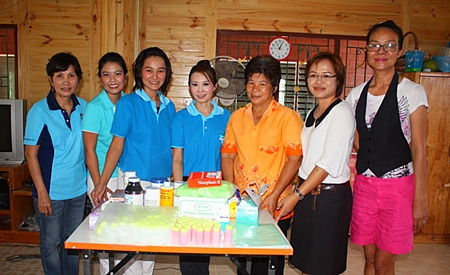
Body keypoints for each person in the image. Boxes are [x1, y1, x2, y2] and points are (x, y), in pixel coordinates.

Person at [346, 20, 428, 275]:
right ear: (367, 51)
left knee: (383, 262)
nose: (381, 51)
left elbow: (420, 149)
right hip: (365, 187)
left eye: (389, 45)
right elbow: (357, 140)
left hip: (399, 189)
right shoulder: (356, 95)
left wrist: (420, 199)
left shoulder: (413, 92)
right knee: (369, 258)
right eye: (375, 46)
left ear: (399, 51)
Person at [91, 47, 176, 274]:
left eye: (160, 71)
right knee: (127, 244)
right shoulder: (128, 104)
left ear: (167, 74)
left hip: (161, 186)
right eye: (149, 70)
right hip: (134, 185)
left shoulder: (170, 107)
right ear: (139, 72)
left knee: (151, 243)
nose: (155, 76)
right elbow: (116, 145)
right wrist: (101, 183)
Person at [221, 55, 303, 275]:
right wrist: (231, 190)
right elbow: (228, 156)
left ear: (274, 87)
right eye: (251, 82)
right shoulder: (236, 117)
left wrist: (275, 193)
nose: (255, 89)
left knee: (267, 264)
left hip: (274, 203)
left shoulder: (288, 118)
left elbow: (295, 159)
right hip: (243, 202)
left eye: (262, 83)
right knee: (242, 260)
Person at [276, 52, 356, 275]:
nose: (319, 81)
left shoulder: (342, 113)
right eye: (313, 75)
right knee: (306, 263)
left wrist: (296, 195)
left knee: (322, 265)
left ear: (338, 79)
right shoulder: (313, 112)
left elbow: (326, 163)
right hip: (307, 192)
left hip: (328, 200)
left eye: (326, 75)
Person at [24, 52, 87, 275]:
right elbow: (31, 155)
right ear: (51, 79)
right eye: (59, 75)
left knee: (70, 243)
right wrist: (41, 193)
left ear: (78, 79)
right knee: (51, 244)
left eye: (71, 75)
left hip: (78, 190)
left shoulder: (84, 107)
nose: (66, 82)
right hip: (50, 191)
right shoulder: (39, 111)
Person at [172, 60, 231, 275]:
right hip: (188, 186)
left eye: (205, 84)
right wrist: (178, 190)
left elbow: (229, 156)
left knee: (206, 239)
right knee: (187, 241)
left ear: (215, 86)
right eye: (194, 84)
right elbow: (177, 159)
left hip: (215, 187)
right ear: (189, 87)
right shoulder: (181, 118)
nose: (200, 90)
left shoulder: (226, 117)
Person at [82, 52, 128, 274]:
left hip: (125, 176)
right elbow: (89, 149)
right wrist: (101, 183)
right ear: (100, 78)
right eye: (106, 74)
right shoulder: (95, 107)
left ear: (125, 77)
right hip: (100, 175)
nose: (112, 79)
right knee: (105, 232)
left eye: (117, 74)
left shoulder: (129, 104)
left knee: (125, 232)